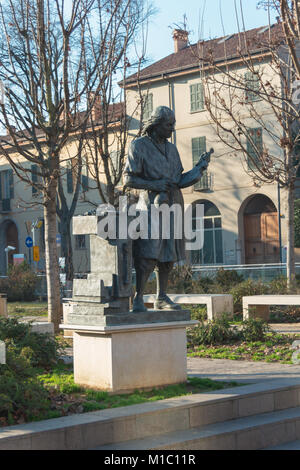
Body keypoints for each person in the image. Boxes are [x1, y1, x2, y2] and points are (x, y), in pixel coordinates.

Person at [123, 106, 211, 312]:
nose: (172, 129)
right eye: (168, 125)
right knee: (149, 253)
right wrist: (154, 185)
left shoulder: (172, 149)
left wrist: (199, 169)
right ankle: (138, 298)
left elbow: (179, 180)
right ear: (155, 125)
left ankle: (162, 297)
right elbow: (128, 179)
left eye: (173, 124)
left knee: (169, 254)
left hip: (173, 204)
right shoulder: (139, 146)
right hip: (150, 206)